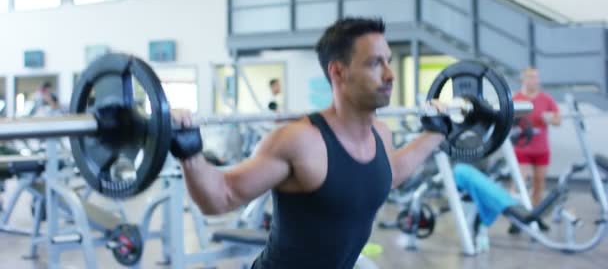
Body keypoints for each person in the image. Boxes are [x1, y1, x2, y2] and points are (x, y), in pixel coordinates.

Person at [171, 17, 452, 268]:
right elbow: (221, 197)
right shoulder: (301, 140)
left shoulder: (381, 133)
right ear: (338, 72)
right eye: (375, 63)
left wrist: (436, 132)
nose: (389, 74)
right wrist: (189, 152)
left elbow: (387, 173)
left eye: (388, 61)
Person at [512, 67, 560, 232]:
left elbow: (558, 120)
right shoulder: (516, 99)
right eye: (530, 77)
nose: (534, 80)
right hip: (522, 148)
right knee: (519, 182)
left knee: (539, 184)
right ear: (523, 79)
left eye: (536, 77)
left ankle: (535, 216)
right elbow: (507, 120)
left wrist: (551, 119)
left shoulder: (546, 99)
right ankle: (516, 218)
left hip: (541, 149)